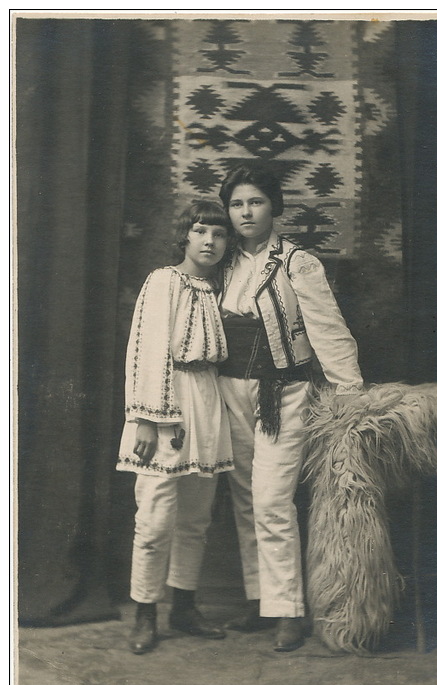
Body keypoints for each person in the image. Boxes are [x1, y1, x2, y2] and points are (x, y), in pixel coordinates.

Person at [217, 162, 364, 652]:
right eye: (236, 204)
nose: (245, 212)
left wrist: (349, 392)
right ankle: (260, 601)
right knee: (243, 498)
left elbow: (327, 328)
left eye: (255, 202)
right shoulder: (224, 260)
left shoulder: (297, 262)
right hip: (229, 390)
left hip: (282, 393)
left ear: (273, 206)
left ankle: (288, 612)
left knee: (271, 500)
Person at [117, 200, 235, 655]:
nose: (210, 241)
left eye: (219, 234)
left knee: (195, 518)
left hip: (206, 402)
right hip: (164, 405)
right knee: (154, 520)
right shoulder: (163, 281)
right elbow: (145, 349)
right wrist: (145, 419)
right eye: (201, 231)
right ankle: (145, 612)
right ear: (185, 235)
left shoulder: (217, 287)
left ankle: (183, 607)